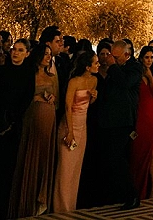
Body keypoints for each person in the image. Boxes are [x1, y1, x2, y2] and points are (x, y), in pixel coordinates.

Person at [0, 38, 33, 220]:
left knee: (7, 172)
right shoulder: (0, 72)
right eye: (13, 49)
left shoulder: (28, 74)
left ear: (27, 53)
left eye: (20, 50)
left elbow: (26, 100)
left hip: (13, 127)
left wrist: (11, 121)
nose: (15, 53)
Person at [9, 43, 59, 218]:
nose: (48, 57)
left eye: (49, 54)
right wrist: (36, 97)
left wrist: (52, 98)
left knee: (45, 157)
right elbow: (21, 97)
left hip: (49, 118)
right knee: (32, 156)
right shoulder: (28, 74)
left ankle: (42, 199)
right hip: (33, 118)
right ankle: (26, 202)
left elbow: (58, 99)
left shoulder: (52, 76)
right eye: (45, 54)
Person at [97, 39, 143, 209]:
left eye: (116, 57)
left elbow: (125, 83)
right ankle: (114, 194)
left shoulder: (135, 67)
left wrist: (113, 66)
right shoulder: (114, 69)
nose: (113, 60)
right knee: (110, 158)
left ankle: (131, 195)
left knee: (118, 157)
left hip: (124, 121)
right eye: (112, 57)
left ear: (126, 55)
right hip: (109, 120)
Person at [52, 50, 99, 212]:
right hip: (69, 123)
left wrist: (93, 97)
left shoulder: (94, 80)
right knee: (65, 168)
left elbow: (89, 104)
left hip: (83, 126)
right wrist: (70, 131)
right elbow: (67, 106)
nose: (98, 65)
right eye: (95, 63)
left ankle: (71, 206)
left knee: (76, 168)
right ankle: (60, 207)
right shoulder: (74, 81)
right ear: (87, 66)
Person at [130, 46, 153, 200]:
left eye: (151, 57)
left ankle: (152, 191)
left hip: (151, 117)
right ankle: (136, 189)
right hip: (138, 116)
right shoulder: (136, 73)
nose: (149, 60)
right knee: (137, 153)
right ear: (141, 58)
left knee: (152, 154)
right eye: (146, 57)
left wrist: (150, 78)